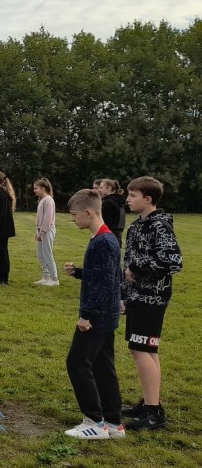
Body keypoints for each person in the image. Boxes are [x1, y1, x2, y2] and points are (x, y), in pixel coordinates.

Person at [120, 176, 182, 431]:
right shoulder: (137, 226)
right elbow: (127, 265)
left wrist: (137, 267)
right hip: (136, 297)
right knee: (142, 349)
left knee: (142, 349)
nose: (128, 198)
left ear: (148, 199)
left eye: (133, 195)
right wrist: (125, 293)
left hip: (152, 297)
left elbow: (173, 261)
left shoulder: (160, 226)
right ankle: (149, 403)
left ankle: (154, 413)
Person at [62, 189, 124, 439]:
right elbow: (105, 275)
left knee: (77, 363)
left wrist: (86, 316)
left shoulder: (102, 242)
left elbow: (103, 284)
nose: (72, 219)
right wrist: (78, 272)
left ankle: (95, 422)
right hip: (106, 314)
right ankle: (114, 423)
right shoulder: (106, 239)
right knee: (102, 366)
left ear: (88, 212)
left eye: (74, 214)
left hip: (97, 316)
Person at [34, 178, 58, 286]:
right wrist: (37, 232)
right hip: (42, 231)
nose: (34, 190)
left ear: (43, 188)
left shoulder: (48, 200)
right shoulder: (42, 200)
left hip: (47, 231)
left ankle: (54, 279)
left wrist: (42, 233)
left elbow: (47, 219)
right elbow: (40, 219)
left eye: (36, 188)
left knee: (47, 254)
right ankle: (46, 277)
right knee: (41, 255)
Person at [97, 179, 127, 246]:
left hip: (109, 237)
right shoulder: (118, 201)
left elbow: (105, 222)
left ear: (108, 188)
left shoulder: (109, 202)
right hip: (117, 236)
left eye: (101, 187)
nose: (99, 190)